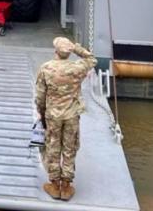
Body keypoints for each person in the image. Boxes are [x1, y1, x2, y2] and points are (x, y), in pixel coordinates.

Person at [34, 36, 97, 201]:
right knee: (70, 148)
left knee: (53, 146)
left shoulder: (46, 68)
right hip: (71, 115)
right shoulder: (77, 68)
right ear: (68, 52)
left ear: (56, 51)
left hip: (52, 116)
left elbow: (40, 96)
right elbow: (92, 59)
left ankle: (55, 186)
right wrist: (75, 48)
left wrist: (41, 112)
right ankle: (67, 187)